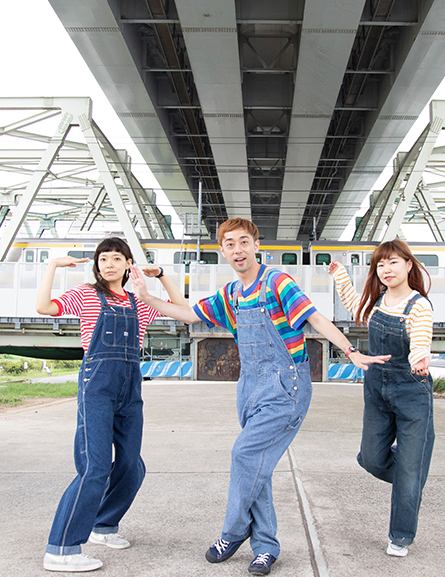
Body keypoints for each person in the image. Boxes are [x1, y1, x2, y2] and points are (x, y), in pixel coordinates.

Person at [128, 217, 389, 576]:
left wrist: (350, 350)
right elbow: (189, 314)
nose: (238, 250)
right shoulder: (231, 294)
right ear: (223, 251)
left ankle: (233, 533)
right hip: (249, 386)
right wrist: (145, 296)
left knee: (244, 454)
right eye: (230, 244)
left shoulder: (277, 282)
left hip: (286, 386)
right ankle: (265, 548)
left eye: (243, 242)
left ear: (256, 245)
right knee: (257, 466)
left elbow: (315, 318)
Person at [36, 237, 185, 573]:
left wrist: (160, 275)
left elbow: (183, 310)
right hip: (98, 386)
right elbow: (44, 308)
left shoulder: (140, 301)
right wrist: (51, 268)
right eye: (103, 259)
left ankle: (102, 525)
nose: (108, 264)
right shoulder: (87, 294)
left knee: (132, 465)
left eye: (116, 258)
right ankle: (61, 547)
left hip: (130, 387)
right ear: (97, 264)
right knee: (95, 467)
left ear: (128, 264)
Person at [327, 238, 435, 558]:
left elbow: (420, 337)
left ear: (408, 265)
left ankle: (400, 536)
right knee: (371, 459)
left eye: (393, 263)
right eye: (380, 264)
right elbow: (352, 301)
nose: (386, 269)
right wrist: (340, 275)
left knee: (408, 471)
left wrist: (420, 356)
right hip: (377, 388)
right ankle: (410, 478)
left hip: (411, 389)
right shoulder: (376, 302)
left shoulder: (419, 306)